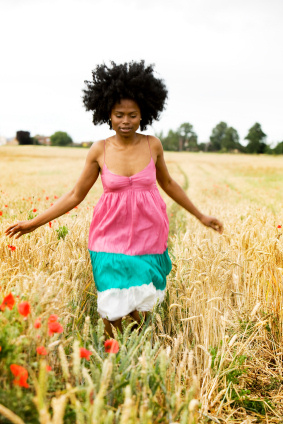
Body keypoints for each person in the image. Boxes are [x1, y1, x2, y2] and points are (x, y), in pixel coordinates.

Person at [5, 61, 223, 338]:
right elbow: (75, 195)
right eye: (119, 114)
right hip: (109, 236)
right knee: (111, 305)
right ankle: (114, 354)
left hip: (148, 235)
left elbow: (168, 183)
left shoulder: (152, 145)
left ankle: (133, 354)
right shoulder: (99, 150)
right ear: (107, 113)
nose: (126, 121)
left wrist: (201, 215)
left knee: (141, 305)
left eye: (133, 115)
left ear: (144, 113)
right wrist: (34, 223)